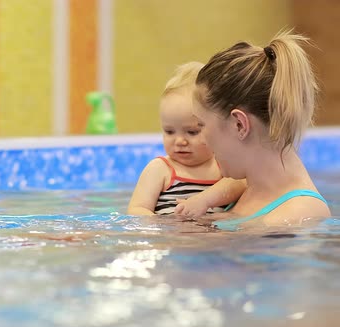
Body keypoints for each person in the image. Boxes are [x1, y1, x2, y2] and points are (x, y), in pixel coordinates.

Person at [191, 30, 331, 230]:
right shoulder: (244, 188)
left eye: (201, 125)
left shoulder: (296, 216)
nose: (202, 140)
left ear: (239, 125)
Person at [128, 62, 246, 216]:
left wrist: (204, 199)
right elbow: (137, 209)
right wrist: (159, 227)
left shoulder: (223, 169)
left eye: (192, 132)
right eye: (169, 131)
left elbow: (242, 184)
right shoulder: (160, 169)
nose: (179, 141)